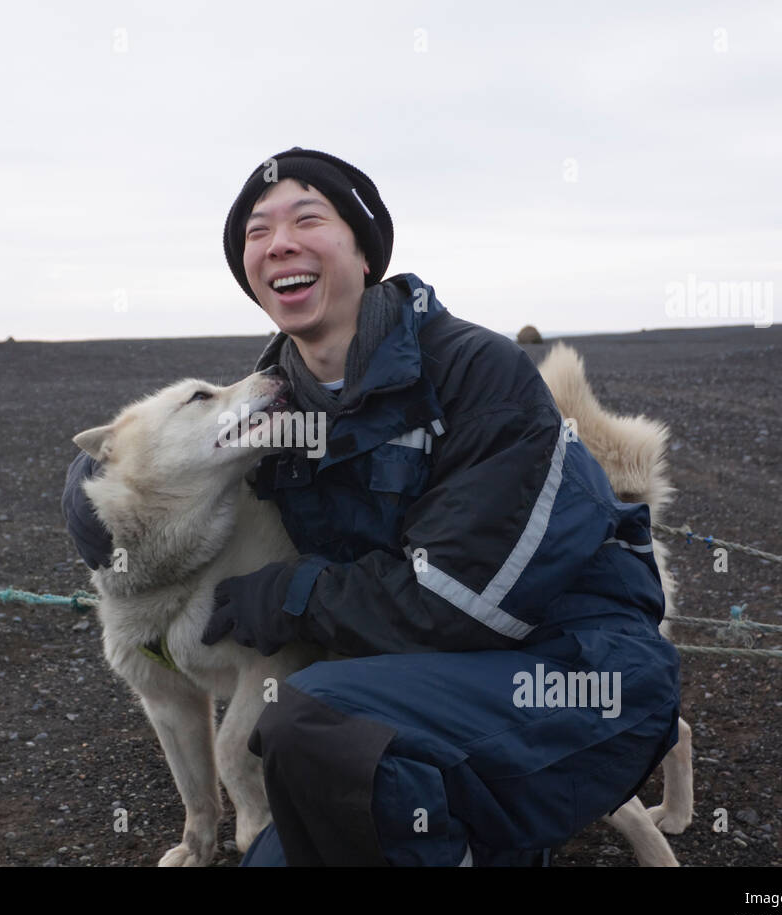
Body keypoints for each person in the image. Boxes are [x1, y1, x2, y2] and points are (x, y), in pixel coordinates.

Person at [61, 147, 681, 867]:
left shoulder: (476, 373)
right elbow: (165, 466)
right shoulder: (271, 416)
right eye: (256, 233)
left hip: (575, 663)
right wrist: (96, 494)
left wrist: (295, 595)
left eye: (307, 218)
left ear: (364, 252)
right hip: (405, 681)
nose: (279, 242)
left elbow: (459, 603)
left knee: (315, 718)